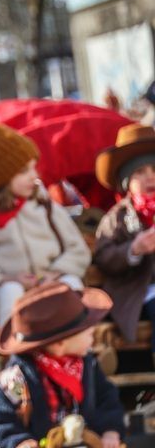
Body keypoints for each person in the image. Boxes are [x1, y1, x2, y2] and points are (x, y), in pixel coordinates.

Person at [0, 120, 91, 326]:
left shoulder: (45, 207)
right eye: (23, 171)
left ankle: (79, 346)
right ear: (1, 177)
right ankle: (18, 352)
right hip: (11, 296)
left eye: (33, 168)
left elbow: (78, 249)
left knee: (70, 284)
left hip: (51, 283)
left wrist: (55, 272)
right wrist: (3, 279)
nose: (34, 176)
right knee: (11, 292)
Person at [0, 282, 125, 448]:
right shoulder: (17, 378)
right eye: (88, 332)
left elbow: (107, 398)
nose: (93, 335)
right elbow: (1, 420)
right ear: (59, 344)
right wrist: (19, 441)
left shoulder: (87, 364)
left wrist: (110, 430)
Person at [93, 123, 155, 365]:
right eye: (140, 172)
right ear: (127, 181)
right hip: (139, 290)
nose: (150, 176)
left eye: (154, 169)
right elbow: (105, 256)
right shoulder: (118, 216)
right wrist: (134, 249)